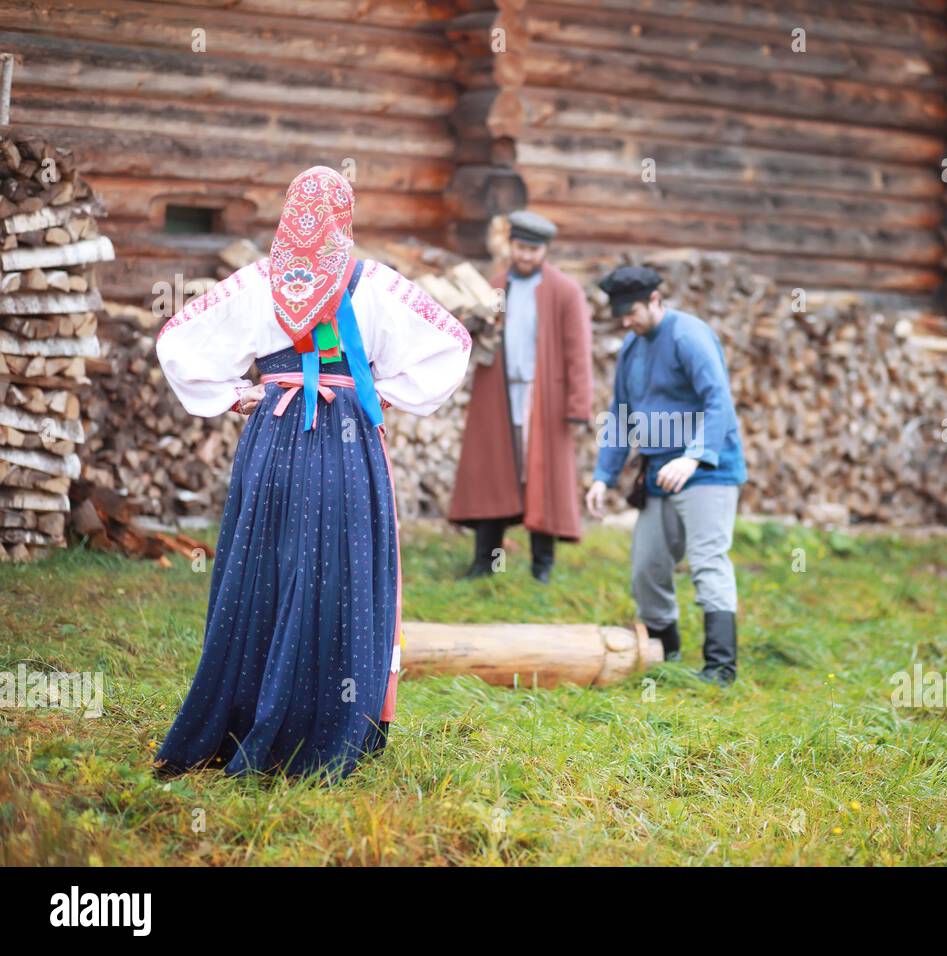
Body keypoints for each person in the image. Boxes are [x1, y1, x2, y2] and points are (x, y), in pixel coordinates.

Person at [153, 166, 470, 782]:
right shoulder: (372, 284)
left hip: (274, 437)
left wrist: (235, 394)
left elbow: (178, 339)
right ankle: (332, 727)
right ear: (343, 218)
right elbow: (451, 343)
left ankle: (244, 718)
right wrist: (377, 390)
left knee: (262, 566)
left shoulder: (256, 283)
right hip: (348, 445)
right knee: (340, 572)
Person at [585, 265, 747, 686]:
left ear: (656, 300)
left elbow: (719, 403)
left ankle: (720, 668)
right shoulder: (631, 349)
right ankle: (664, 651)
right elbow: (621, 415)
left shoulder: (688, 336)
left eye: (632, 311)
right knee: (647, 568)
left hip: (707, 470)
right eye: (619, 314)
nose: (626, 322)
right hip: (659, 472)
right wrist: (604, 476)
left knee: (708, 562)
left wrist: (694, 457)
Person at [449, 210, 593, 583]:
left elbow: (578, 352)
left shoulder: (564, 291)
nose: (526, 256)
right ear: (510, 245)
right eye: (520, 247)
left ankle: (541, 567)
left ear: (544, 250)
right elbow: (479, 335)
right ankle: (486, 563)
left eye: (534, 249)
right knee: (492, 477)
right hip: (497, 394)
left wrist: (578, 405)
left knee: (543, 479)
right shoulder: (496, 286)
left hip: (543, 399)